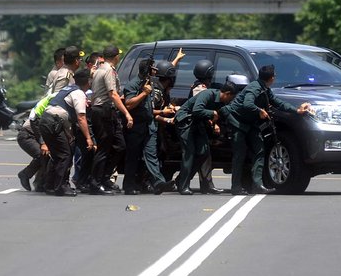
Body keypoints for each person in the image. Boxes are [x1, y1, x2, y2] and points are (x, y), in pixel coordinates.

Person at [221, 64, 312, 195]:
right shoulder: (254, 88)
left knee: (260, 151)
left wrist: (297, 110)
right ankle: (236, 187)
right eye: (274, 75)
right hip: (237, 122)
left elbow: (277, 102)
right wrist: (259, 111)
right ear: (271, 78)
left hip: (250, 123)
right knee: (239, 155)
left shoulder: (265, 88)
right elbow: (247, 103)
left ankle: (257, 185)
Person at [174, 81, 238, 195]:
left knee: (204, 152)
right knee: (189, 154)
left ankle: (181, 180)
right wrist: (211, 112)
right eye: (231, 97)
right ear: (227, 93)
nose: (230, 100)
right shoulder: (208, 94)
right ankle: (183, 186)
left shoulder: (221, 102)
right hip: (185, 121)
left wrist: (239, 127)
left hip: (197, 123)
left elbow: (227, 114)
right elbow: (197, 110)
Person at [39, 69, 94, 197]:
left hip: (47, 121)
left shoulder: (67, 89)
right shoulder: (79, 93)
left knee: (58, 155)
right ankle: (61, 186)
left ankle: (50, 185)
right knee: (65, 155)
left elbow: (64, 115)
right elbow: (81, 118)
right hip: (53, 123)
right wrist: (88, 138)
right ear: (88, 82)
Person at [122, 59, 174, 195]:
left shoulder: (151, 82)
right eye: (153, 68)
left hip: (149, 125)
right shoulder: (133, 84)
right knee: (133, 157)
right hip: (137, 127)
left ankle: (158, 182)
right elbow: (129, 104)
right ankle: (128, 185)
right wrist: (144, 93)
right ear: (147, 69)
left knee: (151, 155)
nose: (156, 71)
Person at [88, 45, 133, 195]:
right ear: (116, 57)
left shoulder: (102, 69)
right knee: (103, 148)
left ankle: (105, 178)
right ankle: (95, 183)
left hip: (107, 111)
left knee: (119, 146)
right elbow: (112, 94)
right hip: (103, 111)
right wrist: (127, 113)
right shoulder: (107, 70)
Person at [16, 93, 55, 192]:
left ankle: (40, 183)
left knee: (48, 157)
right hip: (27, 135)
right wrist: (43, 143)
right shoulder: (51, 103)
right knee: (42, 155)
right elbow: (34, 122)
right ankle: (25, 174)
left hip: (38, 136)